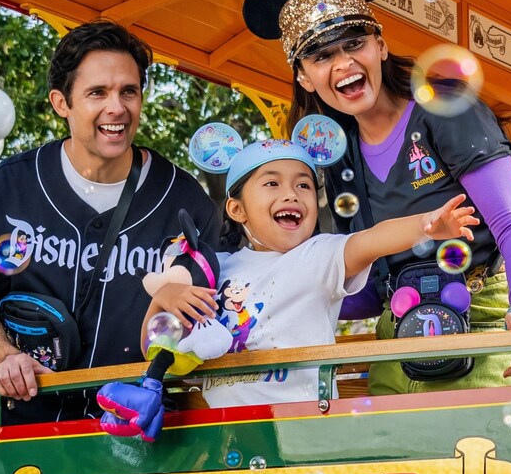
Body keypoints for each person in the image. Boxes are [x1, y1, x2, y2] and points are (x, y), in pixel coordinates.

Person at [242, 0, 511, 410]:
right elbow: (367, 290)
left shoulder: (444, 109)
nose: (343, 63)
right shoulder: (336, 155)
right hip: (396, 340)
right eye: (322, 56)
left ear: (380, 46)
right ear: (304, 78)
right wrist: (262, 304)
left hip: (485, 323)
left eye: (354, 44)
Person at [0, 19, 219, 426]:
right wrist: (7, 359)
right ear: (61, 102)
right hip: (20, 435)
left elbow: (208, 328)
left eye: (128, 91)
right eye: (97, 92)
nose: (116, 107)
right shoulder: (9, 186)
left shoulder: (187, 202)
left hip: (137, 437)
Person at [147, 127, 478, 408]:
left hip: (302, 430)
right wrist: (164, 297)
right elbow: (154, 347)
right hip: (226, 435)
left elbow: (371, 240)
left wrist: (425, 224)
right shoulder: (213, 269)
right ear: (236, 209)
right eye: (272, 184)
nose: (292, 194)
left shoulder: (318, 256)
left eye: (303, 185)